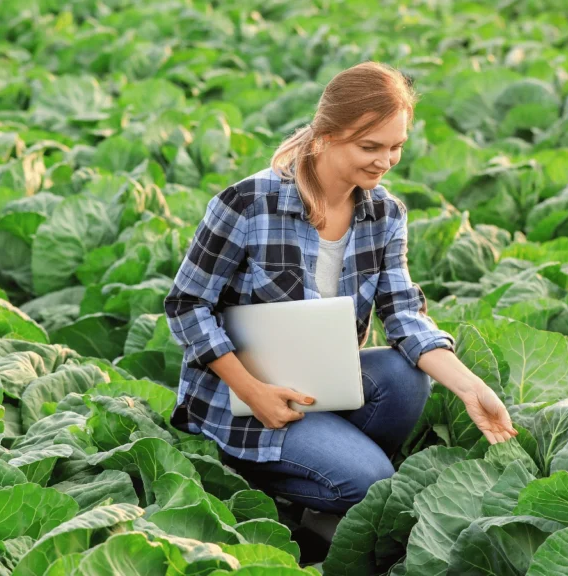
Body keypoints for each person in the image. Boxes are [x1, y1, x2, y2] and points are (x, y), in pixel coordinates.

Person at [162, 61, 517, 535]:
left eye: (396, 147)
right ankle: (262, 478)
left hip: (323, 389)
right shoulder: (248, 203)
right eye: (370, 146)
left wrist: (472, 388)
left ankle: (323, 483)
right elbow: (186, 305)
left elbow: (404, 315)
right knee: (375, 484)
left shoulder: (386, 214)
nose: (385, 160)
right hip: (241, 402)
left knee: (404, 375)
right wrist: (254, 391)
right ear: (325, 135)